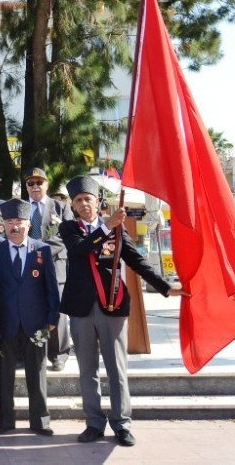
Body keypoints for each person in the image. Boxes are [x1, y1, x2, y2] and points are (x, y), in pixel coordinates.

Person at [59, 175, 185, 447]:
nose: (83, 204)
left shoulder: (117, 228)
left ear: (97, 201)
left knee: (116, 367)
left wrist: (165, 286)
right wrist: (106, 227)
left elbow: (137, 261)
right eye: (78, 200)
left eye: (87, 199)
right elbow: (80, 250)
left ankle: (122, 423)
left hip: (112, 306)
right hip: (80, 308)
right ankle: (93, 422)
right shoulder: (69, 228)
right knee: (87, 369)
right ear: (73, 205)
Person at [0, 199, 59, 436]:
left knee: (37, 374)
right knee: (3, 375)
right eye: (9, 221)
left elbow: (51, 287)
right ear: (3, 224)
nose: (14, 226)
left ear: (28, 224)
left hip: (36, 324)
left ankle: (40, 421)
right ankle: (5, 421)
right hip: (5, 324)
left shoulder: (42, 250)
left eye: (19, 221)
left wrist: (52, 318)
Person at [23, 167, 73, 371]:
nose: (35, 186)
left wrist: (39, 251)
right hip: (27, 266)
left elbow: (67, 233)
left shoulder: (61, 207)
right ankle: (30, 350)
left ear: (47, 184)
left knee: (57, 309)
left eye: (39, 182)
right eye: (30, 183)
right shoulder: (21, 207)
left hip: (54, 263)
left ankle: (59, 354)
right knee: (30, 307)